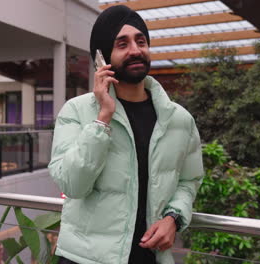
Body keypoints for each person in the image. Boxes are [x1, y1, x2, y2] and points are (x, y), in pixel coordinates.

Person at [48, 5, 204, 264]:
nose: (135, 50)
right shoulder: (76, 111)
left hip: (150, 257)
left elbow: (190, 181)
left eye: (141, 41)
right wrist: (102, 120)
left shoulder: (180, 120)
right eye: (122, 44)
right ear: (102, 59)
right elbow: (72, 184)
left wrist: (174, 218)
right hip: (84, 258)